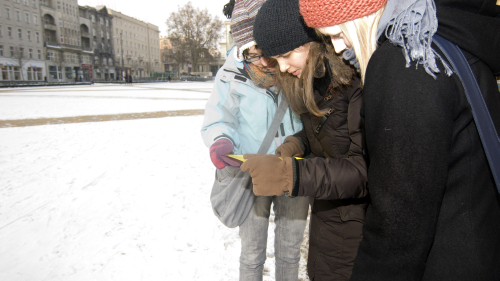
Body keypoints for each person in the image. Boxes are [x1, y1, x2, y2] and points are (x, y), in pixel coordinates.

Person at [297, 0, 500, 280]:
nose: (339, 48)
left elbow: (396, 232)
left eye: (337, 34)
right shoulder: (443, 39)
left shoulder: (404, 64)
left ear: (359, 13)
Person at [241, 0, 368, 279]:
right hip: (328, 219)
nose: (283, 68)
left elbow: (364, 171)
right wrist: (297, 144)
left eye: (286, 55)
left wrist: (291, 175)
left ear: (312, 41)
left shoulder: (355, 83)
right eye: (276, 60)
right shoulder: (317, 82)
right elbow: (326, 136)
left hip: (358, 232)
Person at [201, 0, 309, 280]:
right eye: (253, 54)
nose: (264, 62)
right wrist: (221, 140)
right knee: (251, 255)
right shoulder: (231, 74)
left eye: (268, 52)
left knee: (289, 252)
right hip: (251, 174)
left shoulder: (297, 66)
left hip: (293, 171)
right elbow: (219, 119)